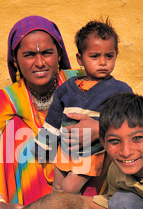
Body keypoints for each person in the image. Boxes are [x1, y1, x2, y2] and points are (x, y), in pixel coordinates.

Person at [0, 16, 116, 209]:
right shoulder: (9, 97)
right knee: (11, 133)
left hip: (84, 174)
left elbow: (127, 115)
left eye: (46, 53)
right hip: (39, 187)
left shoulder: (83, 81)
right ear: (15, 60)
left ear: (59, 55)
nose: (40, 62)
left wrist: (99, 128)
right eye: (29, 55)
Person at [35, 19, 132, 194]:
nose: (103, 62)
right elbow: (54, 118)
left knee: (69, 189)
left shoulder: (120, 91)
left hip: (91, 152)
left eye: (109, 56)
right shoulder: (67, 88)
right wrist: (44, 146)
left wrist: (101, 126)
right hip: (65, 149)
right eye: (95, 56)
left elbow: (129, 120)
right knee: (56, 187)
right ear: (80, 59)